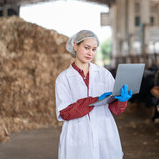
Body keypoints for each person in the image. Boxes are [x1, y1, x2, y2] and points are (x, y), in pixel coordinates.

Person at [55, 30, 132, 159]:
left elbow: (115, 110)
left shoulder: (104, 74)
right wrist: (95, 100)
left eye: (94, 49)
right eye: (86, 48)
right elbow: (65, 112)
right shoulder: (64, 78)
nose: (90, 53)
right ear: (75, 46)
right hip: (78, 134)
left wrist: (122, 101)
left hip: (105, 132)